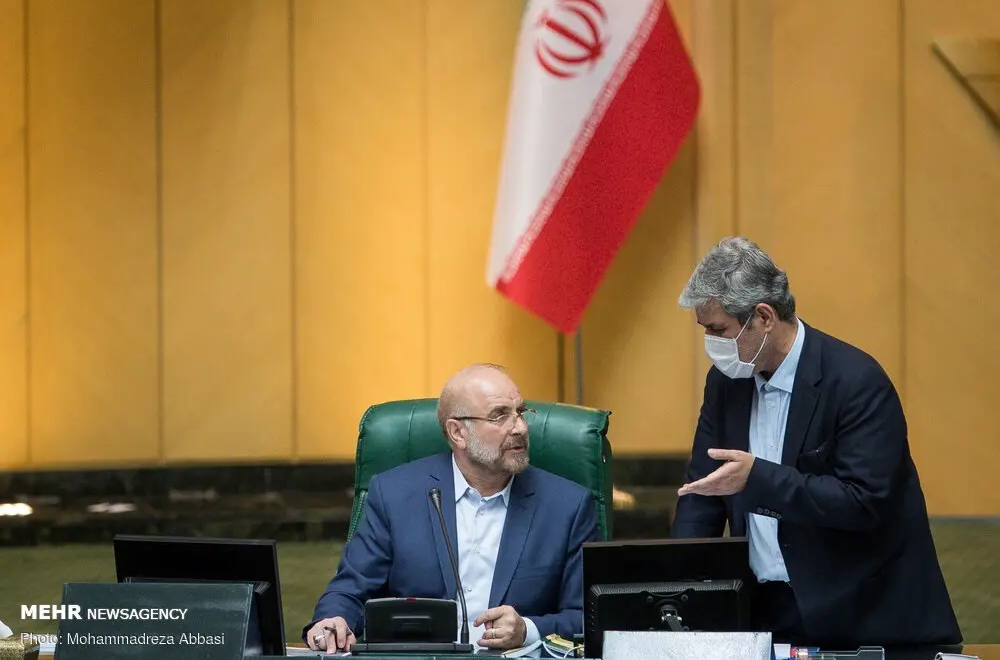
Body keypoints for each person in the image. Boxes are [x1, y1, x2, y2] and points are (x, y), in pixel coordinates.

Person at [671, 236, 961, 647]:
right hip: (766, 612)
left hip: (861, 617)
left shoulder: (856, 381)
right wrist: (677, 586)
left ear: (764, 317)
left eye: (719, 330)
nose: (711, 345)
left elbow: (864, 501)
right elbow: (702, 490)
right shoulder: (726, 383)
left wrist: (758, 478)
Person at [304, 363, 600, 653]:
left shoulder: (568, 506)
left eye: (521, 412)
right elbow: (350, 590)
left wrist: (527, 629)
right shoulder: (394, 495)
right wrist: (333, 621)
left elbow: (590, 616)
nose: (521, 427)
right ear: (458, 432)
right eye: (500, 416)